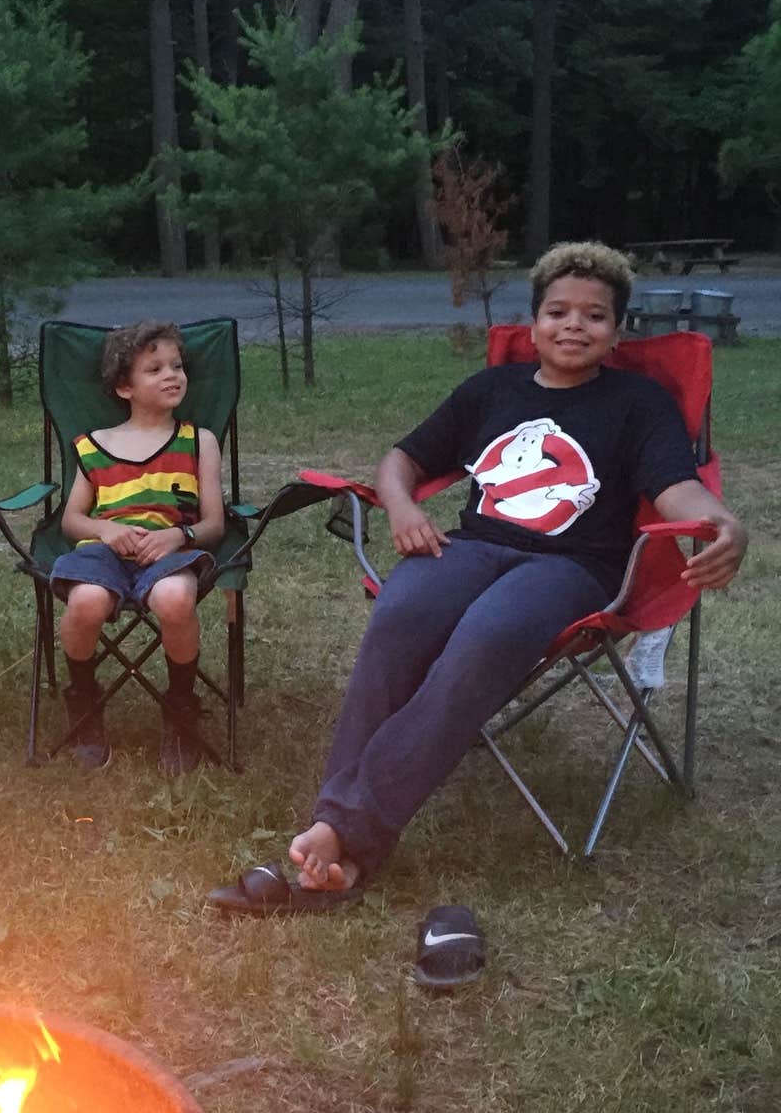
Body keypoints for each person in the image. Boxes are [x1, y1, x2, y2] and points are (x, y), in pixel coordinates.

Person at [209, 242, 748, 916]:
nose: (574, 325)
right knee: (400, 617)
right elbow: (401, 460)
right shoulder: (492, 390)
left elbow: (676, 488)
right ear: (534, 324)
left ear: (617, 332)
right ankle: (342, 833)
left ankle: (345, 832)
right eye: (558, 311)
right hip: (471, 548)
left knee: (486, 634)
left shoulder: (638, 403)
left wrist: (724, 523)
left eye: (595, 315)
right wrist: (403, 509)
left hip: (572, 568)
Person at [50, 321, 226, 777]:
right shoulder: (95, 445)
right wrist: (106, 530)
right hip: (103, 552)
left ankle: (181, 704)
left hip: (170, 552)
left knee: (176, 598)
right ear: (124, 387)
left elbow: (214, 523)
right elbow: (71, 520)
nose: (172, 375)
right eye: (155, 369)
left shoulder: (198, 441)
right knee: (86, 601)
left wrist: (179, 536)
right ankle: (84, 699)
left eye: (177, 366)